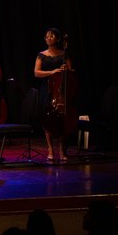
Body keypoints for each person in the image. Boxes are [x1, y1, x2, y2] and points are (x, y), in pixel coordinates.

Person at [34, 27, 75, 162]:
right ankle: (50, 149)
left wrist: (66, 70)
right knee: (48, 120)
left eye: (52, 36)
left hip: (61, 92)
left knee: (62, 120)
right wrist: (52, 72)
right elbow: (37, 72)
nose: (49, 38)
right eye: (47, 36)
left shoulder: (64, 54)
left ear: (57, 39)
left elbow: (71, 72)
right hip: (47, 89)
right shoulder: (41, 55)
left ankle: (61, 150)